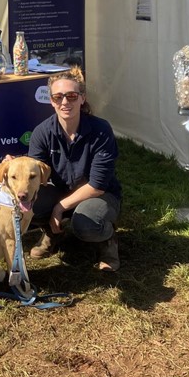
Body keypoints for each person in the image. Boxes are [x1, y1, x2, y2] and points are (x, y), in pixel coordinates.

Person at [27, 67, 122, 271]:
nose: (64, 102)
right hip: (61, 190)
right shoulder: (42, 132)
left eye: (71, 96)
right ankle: (53, 232)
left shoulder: (101, 130)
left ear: (82, 98)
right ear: (51, 100)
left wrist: (59, 207)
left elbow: (97, 185)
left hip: (100, 195)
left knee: (86, 225)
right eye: (58, 97)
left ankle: (108, 241)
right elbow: (34, 174)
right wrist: (17, 163)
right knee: (28, 200)